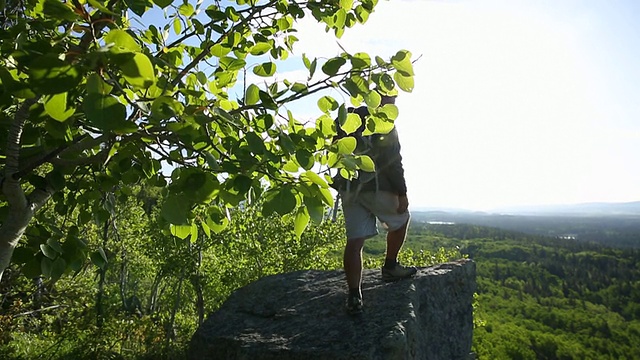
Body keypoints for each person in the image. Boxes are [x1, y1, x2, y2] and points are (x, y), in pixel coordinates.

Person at [333, 94, 417, 315]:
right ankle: (390, 266)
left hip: (348, 187)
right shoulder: (384, 121)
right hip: (375, 186)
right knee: (401, 219)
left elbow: (335, 150)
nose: (394, 102)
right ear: (381, 98)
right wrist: (403, 193)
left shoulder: (348, 117)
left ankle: (354, 295)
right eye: (391, 98)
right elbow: (393, 161)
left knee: (355, 240)